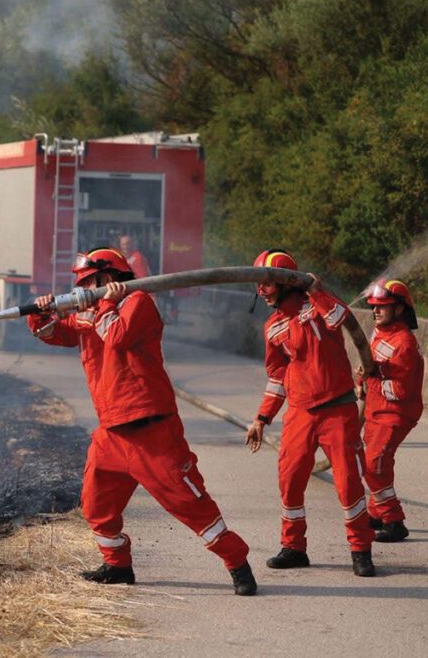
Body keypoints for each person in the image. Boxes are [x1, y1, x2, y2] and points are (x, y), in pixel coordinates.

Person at [28, 247, 257, 595]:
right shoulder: (92, 314)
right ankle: (117, 566)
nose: (84, 289)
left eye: (91, 282)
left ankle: (237, 561)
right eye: (82, 283)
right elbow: (53, 334)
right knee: (95, 504)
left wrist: (101, 305)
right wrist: (40, 313)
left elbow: (117, 337)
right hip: (111, 432)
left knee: (189, 503)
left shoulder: (138, 304)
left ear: (110, 279)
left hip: (151, 429)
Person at [245, 249, 377, 577]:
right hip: (300, 414)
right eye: (259, 284)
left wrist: (318, 291)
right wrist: (261, 418)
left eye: (268, 284)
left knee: (347, 483)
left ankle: (361, 550)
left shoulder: (317, 307)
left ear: (286, 283)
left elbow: (340, 320)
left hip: (338, 409)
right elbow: (277, 377)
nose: (262, 290)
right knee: (289, 481)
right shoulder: (273, 327)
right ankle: (293, 548)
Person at [357, 279, 424, 543]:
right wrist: (361, 381)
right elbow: (374, 366)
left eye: (382, 306)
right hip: (376, 410)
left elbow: (400, 392)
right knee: (377, 462)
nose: (376, 311)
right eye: (374, 306)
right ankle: (376, 513)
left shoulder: (404, 343)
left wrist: (371, 379)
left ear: (399, 309)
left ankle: (394, 521)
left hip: (395, 415)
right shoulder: (380, 334)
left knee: (374, 465)